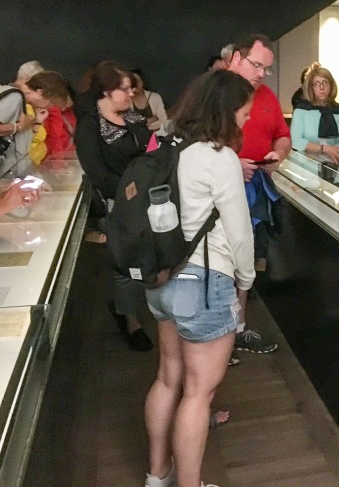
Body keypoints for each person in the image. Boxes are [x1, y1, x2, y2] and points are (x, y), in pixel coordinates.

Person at [143, 69, 255, 487]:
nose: (246, 121)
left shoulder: (170, 146)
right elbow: (240, 231)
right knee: (198, 393)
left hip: (162, 278)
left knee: (168, 377)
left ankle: (158, 475)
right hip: (203, 283)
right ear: (225, 112)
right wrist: (245, 281)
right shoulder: (217, 157)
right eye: (243, 113)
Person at [74, 62, 153, 350]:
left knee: (148, 256)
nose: (132, 91)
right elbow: (97, 173)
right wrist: (129, 194)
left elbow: (150, 148)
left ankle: (137, 306)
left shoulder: (132, 115)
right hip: (119, 203)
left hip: (148, 197)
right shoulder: (89, 126)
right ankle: (130, 318)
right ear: (108, 91)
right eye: (125, 88)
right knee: (126, 261)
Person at [227, 34, 290, 358]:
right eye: (257, 65)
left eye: (267, 68)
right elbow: (192, 143)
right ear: (236, 58)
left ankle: (237, 329)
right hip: (219, 195)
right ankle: (217, 338)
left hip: (255, 190)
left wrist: (277, 154)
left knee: (244, 263)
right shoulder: (215, 91)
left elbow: (282, 135)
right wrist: (232, 165)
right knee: (220, 264)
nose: (262, 73)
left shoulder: (266, 95)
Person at [291, 62, 339, 174]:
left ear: (331, 86)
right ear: (311, 87)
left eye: (325, 82)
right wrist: (325, 149)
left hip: (338, 169)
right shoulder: (302, 110)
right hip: (308, 171)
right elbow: (296, 141)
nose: (321, 87)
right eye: (316, 83)